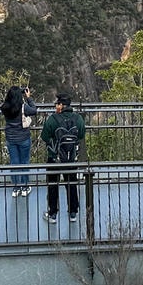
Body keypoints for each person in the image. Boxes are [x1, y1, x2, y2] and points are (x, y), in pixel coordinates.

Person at [42, 93, 86, 223]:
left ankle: (53, 214)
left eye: (57, 104)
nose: (56, 106)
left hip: (54, 158)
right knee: (71, 183)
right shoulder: (78, 119)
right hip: (71, 158)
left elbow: (44, 136)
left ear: (61, 105)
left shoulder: (52, 119)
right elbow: (81, 134)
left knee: (52, 184)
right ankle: (73, 212)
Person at [0, 85, 39, 197]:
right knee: (24, 162)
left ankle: (16, 187)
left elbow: (7, 104)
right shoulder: (23, 107)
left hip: (11, 138)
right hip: (23, 138)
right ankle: (25, 186)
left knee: (14, 162)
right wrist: (28, 98)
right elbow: (34, 110)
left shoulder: (5, 107)